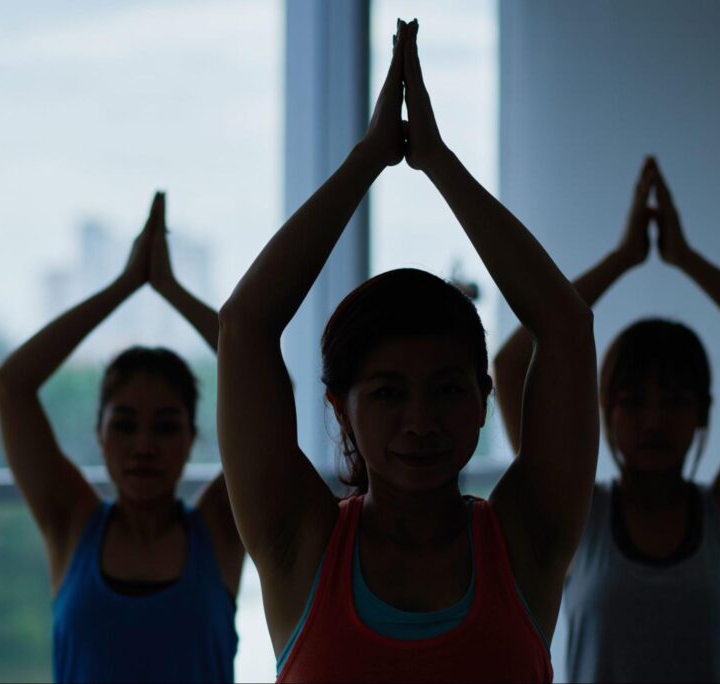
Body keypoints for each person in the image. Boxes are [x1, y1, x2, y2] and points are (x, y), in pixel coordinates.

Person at [217, 20, 597, 683]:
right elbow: (244, 326)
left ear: (483, 399)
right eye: (389, 393)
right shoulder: (300, 545)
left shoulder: (525, 541)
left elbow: (565, 324)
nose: (420, 421)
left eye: (446, 389)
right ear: (340, 408)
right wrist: (368, 157)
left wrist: (438, 161)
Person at [493, 157, 720, 682]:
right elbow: (511, 367)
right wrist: (621, 259)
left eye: (673, 400)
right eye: (633, 400)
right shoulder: (577, 516)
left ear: (702, 412)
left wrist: (686, 260)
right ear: (605, 408)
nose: (653, 421)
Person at [0, 192, 244, 683]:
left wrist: (168, 288)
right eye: (125, 424)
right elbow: (11, 385)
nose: (144, 445)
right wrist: (125, 285)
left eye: (165, 426)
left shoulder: (221, 527)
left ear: (191, 438)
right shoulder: (70, 521)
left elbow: (266, 386)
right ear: (100, 435)